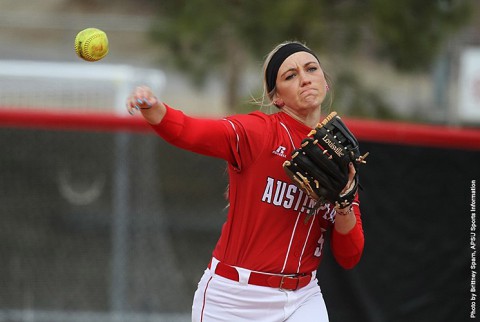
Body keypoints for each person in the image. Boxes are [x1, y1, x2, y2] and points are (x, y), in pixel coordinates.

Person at [126, 41, 364, 322]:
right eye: (290, 75)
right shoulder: (258, 134)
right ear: (277, 98)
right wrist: (154, 109)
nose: (304, 78)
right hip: (234, 300)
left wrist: (344, 204)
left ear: (325, 82)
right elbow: (191, 132)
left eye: (311, 69)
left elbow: (350, 257)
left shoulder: (336, 154)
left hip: (303, 297)